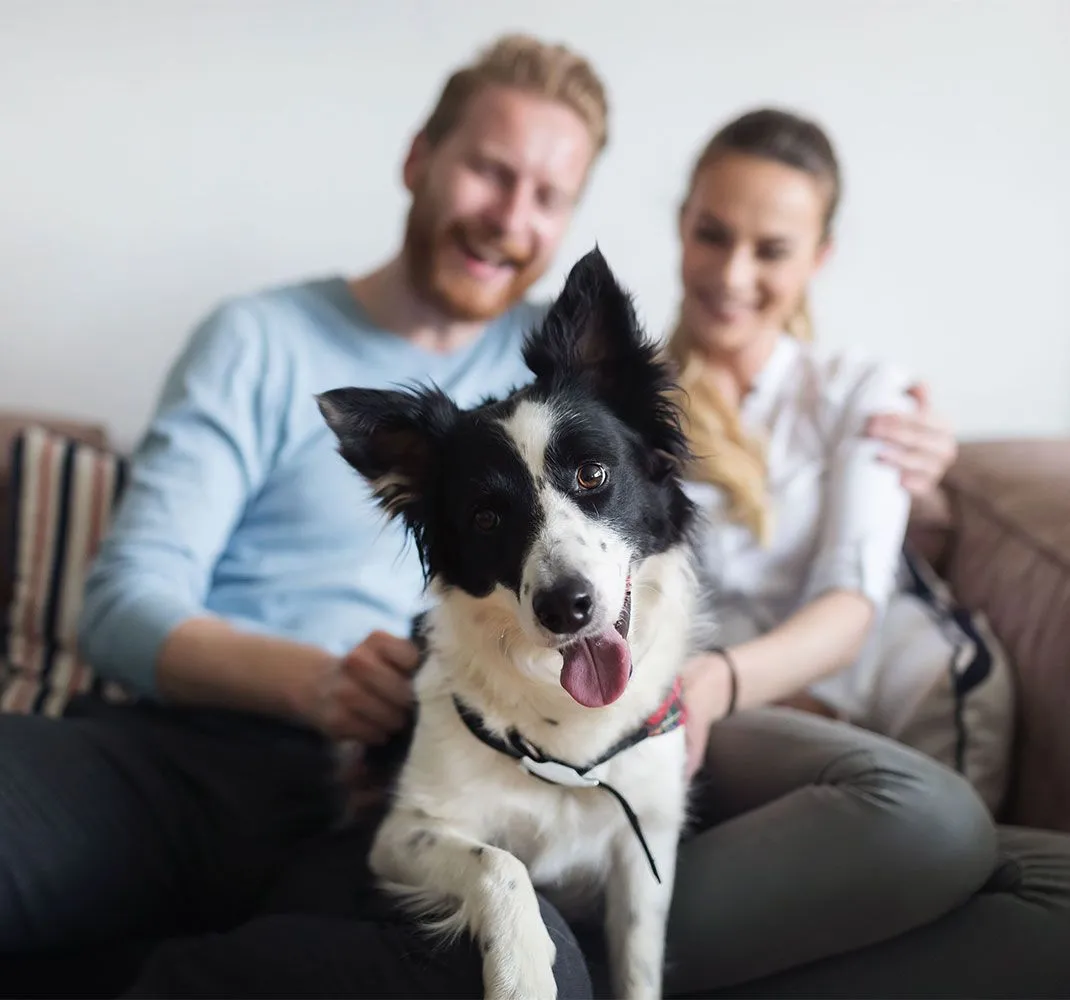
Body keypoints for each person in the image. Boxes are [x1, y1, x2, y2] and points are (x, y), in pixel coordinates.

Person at [0, 32, 1048, 999]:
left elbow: (670, 444)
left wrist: (926, 474)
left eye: (548, 193)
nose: (511, 216)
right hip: (203, 750)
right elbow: (123, 602)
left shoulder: (557, 367)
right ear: (418, 157)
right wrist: (315, 682)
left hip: (439, 776)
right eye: (489, 171)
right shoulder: (261, 338)